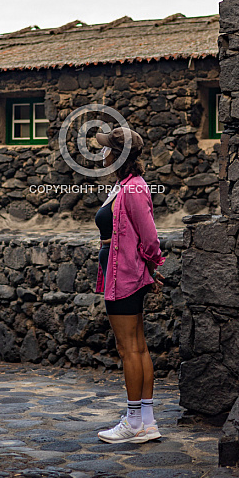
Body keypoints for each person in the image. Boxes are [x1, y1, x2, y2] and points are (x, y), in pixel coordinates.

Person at [94, 126, 165, 443]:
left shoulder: (133, 188)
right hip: (125, 273)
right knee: (138, 347)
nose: (102, 153)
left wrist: (152, 265)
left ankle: (134, 421)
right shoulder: (126, 185)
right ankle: (146, 422)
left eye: (107, 148)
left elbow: (149, 236)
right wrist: (148, 268)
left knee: (128, 349)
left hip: (123, 276)